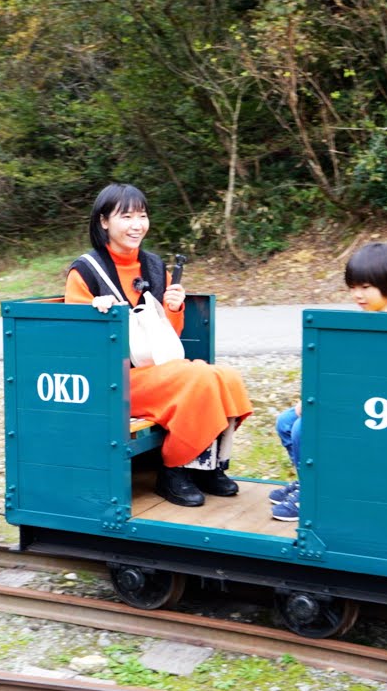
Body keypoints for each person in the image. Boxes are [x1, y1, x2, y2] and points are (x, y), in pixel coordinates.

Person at [65, 183, 253, 507]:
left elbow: (169, 334)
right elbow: (77, 343)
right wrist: (97, 313)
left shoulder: (153, 266)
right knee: (198, 379)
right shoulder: (85, 271)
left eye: (142, 215)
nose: (137, 224)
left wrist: (175, 307)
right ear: (104, 221)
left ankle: (207, 467)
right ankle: (174, 470)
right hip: (114, 379)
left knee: (226, 378)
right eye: (126, 216)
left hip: (158, 368)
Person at [271, 242, 387, 521]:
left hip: (371, 410)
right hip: (350, 402)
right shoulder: (365, 321)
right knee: (286, 422)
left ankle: (316, 492)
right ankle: (311, 481)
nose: (357, 295)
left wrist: (322, 405)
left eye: (365, 287)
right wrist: (312, 399)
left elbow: (373, 382)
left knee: (302, 430)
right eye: (353, 287)